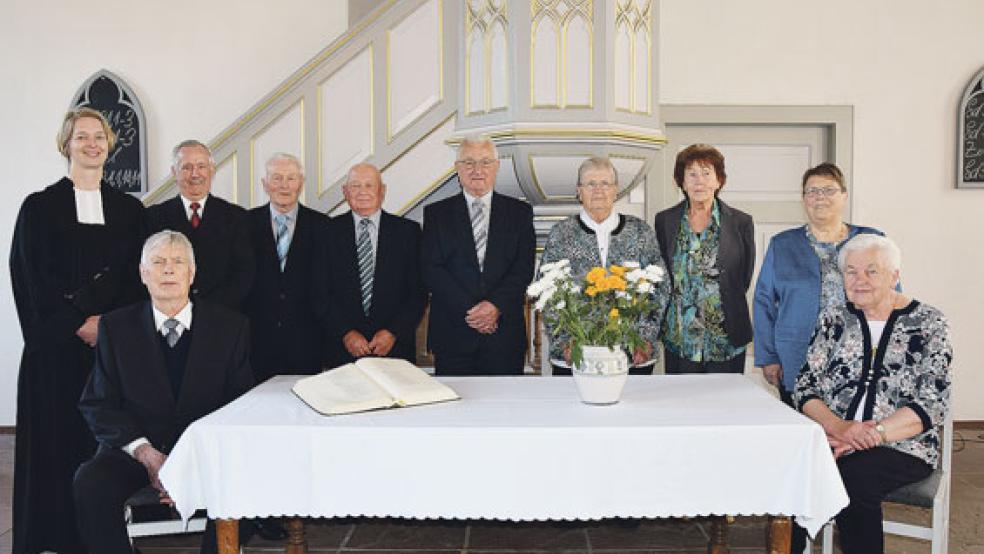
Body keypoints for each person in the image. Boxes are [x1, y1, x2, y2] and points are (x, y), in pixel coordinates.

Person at [10, 107, 145, 554]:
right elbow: (31, 280)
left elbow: (135, 279)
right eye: (82, 136)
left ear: (110, 144)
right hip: (55, 355)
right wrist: (77, 324)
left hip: (111, 355)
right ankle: (53, 538)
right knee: (55, 450)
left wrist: (109, 326)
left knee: (101, 452)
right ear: (65, 144)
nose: (92, 144)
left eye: (99, 137)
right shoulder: (39, 207)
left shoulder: (129, 210)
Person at [73, 230, 255, 554]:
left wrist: (187, 467)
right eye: (158, 262)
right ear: (143, 274)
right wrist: (147, 455)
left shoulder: (231, 327)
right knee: (90, 481)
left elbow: (238, 405)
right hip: (138, 450)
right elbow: (98, 404)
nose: (168, 270)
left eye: (177, 262)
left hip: (203, 451)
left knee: (247, 476)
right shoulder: (115, 328)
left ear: (192, 273)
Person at [794, 234, 951, 554]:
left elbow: (931, 402)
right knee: (793, 471)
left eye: (871, 271)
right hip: (833, 436)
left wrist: (873, 434)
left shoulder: (930, 322)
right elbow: (805, 387)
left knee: (853, 477)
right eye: (851, 271)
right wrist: (840, 428)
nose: (859, 280)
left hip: (903, 444)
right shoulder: (833, 319)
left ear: (895, 275)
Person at [754, 163, 887, 403]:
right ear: (804, 199)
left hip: (860, 355)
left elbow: (891, 298)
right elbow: (763, 301)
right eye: (812, 191)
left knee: (854, 433)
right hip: (796, 357)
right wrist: (768, 356)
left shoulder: (871, 241)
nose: (820, 197)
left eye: (828, 190)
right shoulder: (782, 244)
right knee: (802, 429)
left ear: (844, 196)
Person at [539, 156, 669, 374]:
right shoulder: (561, 234)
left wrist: (644, 338)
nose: (598, 190)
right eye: (590, 184)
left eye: (605, 183)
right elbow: (548, 290)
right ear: (579, 191)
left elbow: (661, 287)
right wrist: (565, 342)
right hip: (577, 355)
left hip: (631, 355)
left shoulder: (640, 232)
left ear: (615, 190)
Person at [421, 135, 536, 375]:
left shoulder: (520, 213)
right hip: (453, 335)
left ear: (497, 166)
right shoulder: (436, 214)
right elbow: (432, 269)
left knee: (505, 411)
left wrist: (494, 306)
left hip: (503, 335)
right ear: (457, 169)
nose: (477, 170)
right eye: (468, 162)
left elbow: (523, 268)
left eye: (485, 162)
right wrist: (474, 312)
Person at [654, 144, 754, 374]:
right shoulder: (665, 221)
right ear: (681, 182)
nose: (699, 181)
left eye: (707, 173)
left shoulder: (741, 222)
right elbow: (661, 275)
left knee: (724, 406)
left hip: (725, 337)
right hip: (680, 338)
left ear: (719, 180)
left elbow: (743, 276)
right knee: (682, 405)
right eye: (692, 174)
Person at [326, 163, 426, 366]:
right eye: (355, 186)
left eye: (369, 185)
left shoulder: (408, 232)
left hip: (395, 350)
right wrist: (346, 333)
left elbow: (418, 292)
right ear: (345, 192)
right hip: (342, 352)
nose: (362, 192)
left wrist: (392, 332)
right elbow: (319, 293)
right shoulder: (326, 232)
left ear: (382, 191)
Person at [246, 153, 333, 381]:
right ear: (265, 185)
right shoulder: (244, 224)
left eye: (291, 178)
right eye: (276, 178)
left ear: (301, 184)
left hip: (308, 342)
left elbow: (330, 287)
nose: (284, 185)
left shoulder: (324, 226)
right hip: (257, 342)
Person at [145, 140, 254, 310]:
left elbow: (244, 274)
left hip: (222, 317)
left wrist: (208, 310)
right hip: (169, 314)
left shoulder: (238, 217)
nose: (195, 174)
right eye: (186, 167)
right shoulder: (152, 217)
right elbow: (149, 271)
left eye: (201, 166)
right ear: (175, 172)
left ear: (212, 171)